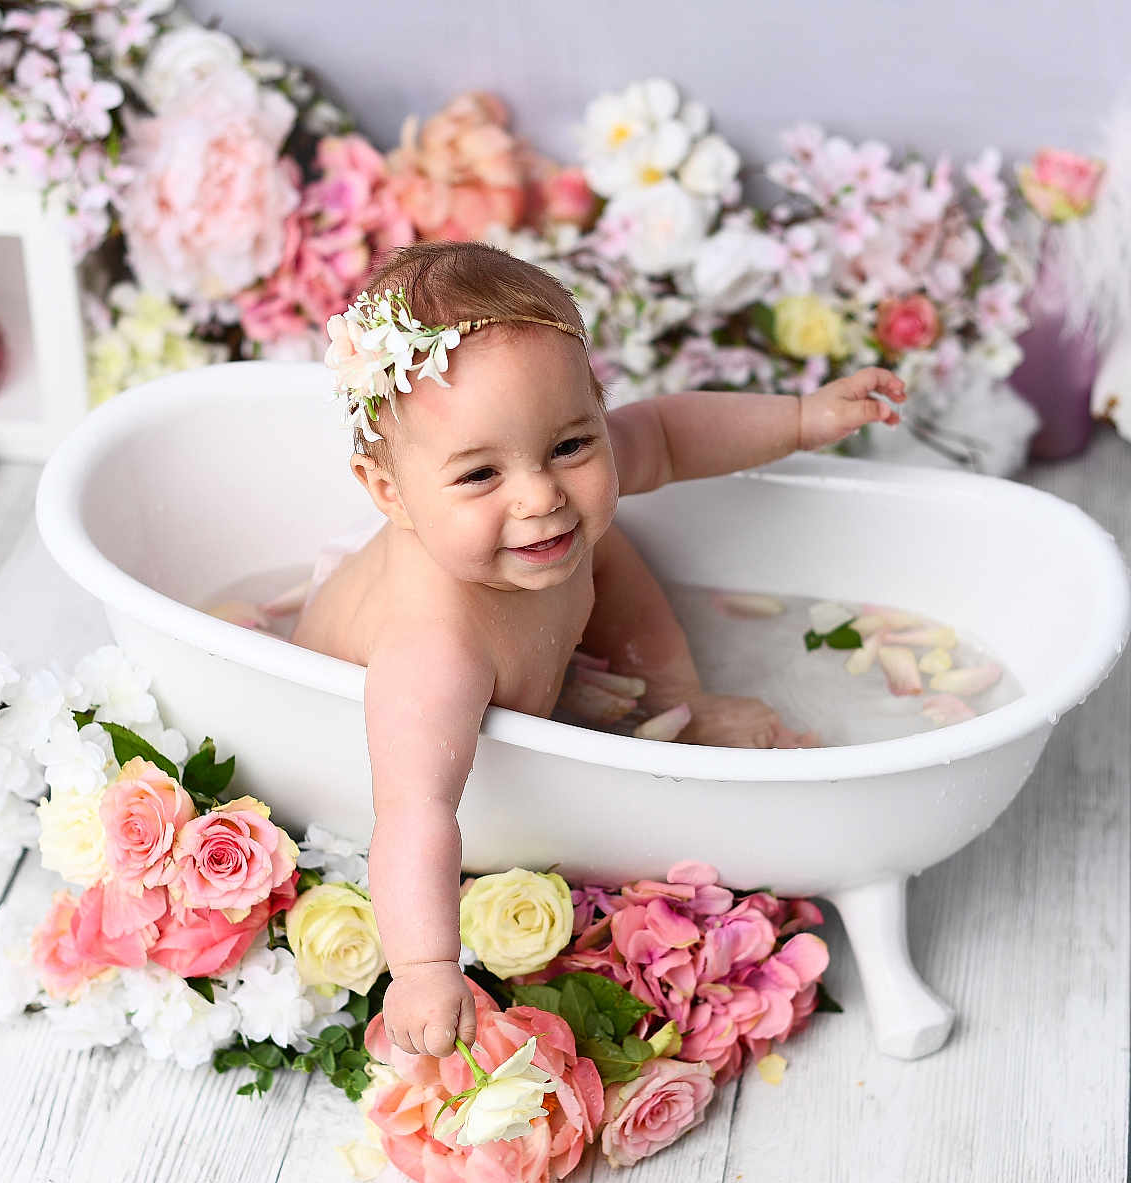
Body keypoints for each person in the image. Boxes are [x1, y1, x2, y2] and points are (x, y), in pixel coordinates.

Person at [292, 241, 905, 1059]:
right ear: (389, 494)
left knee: (605, 542)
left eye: (571, 447)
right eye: (479, 476)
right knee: (583, 548)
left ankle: (674, 698)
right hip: (405, 726)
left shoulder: (554, 501)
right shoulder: (430, 652)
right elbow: (416, 812)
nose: (541, 494)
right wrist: (425, 965)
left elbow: (670, 435)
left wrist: (801, 419)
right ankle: (663, 709)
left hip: (528, 645)